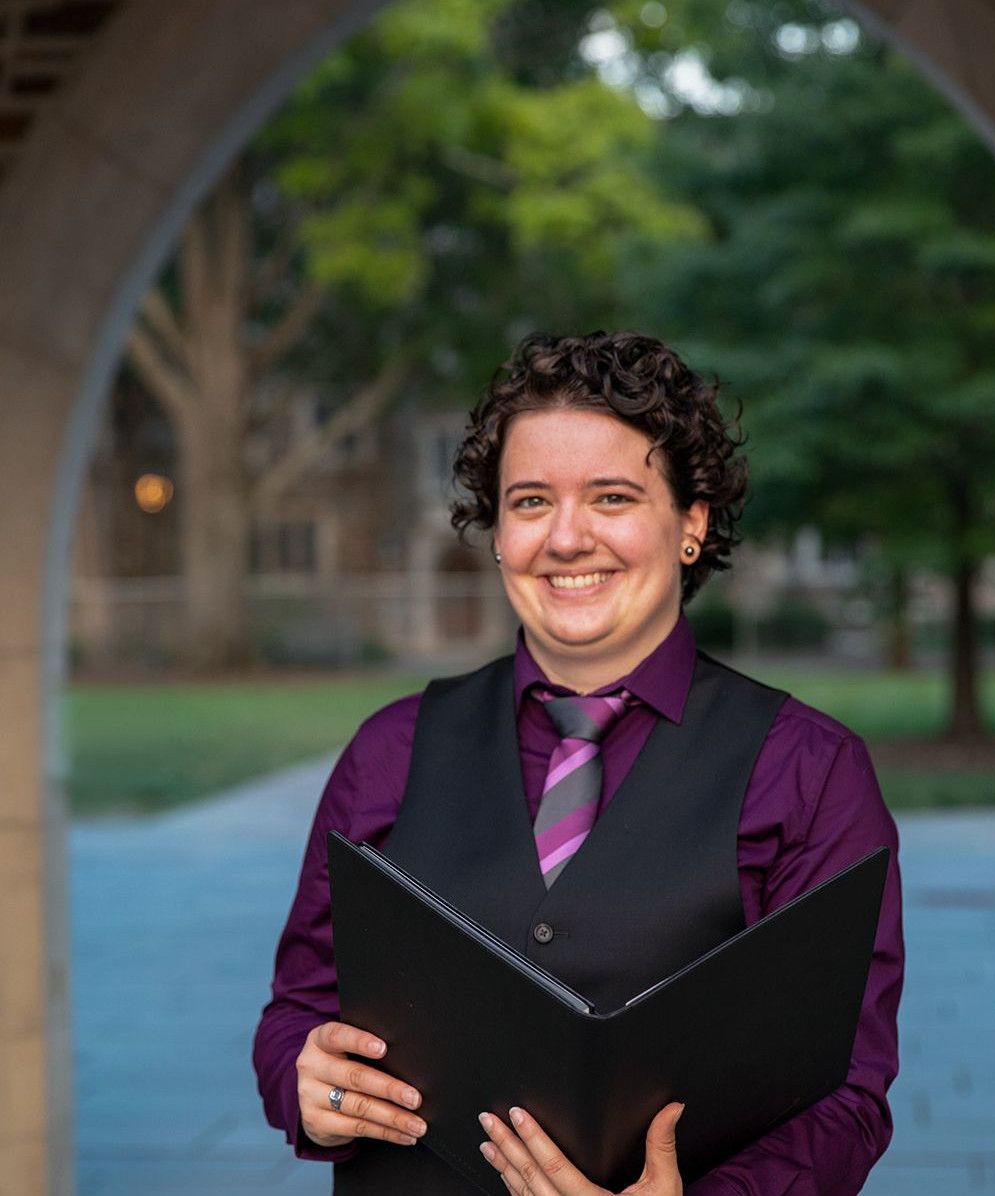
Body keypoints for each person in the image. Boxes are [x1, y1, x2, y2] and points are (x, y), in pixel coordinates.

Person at [253, 330, 904, 1196]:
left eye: (611, 497)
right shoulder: (388, 751)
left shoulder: (811, 771)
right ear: (497, 531)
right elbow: (298, 1009)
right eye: (529, 502)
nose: (565, 538)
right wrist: (305, 1082)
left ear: (690, 523)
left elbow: (847, 1095)